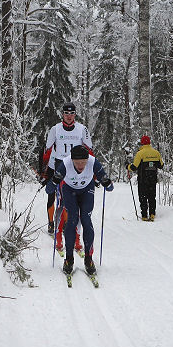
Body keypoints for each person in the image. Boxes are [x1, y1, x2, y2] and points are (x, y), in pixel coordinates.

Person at [45, 145, 113, 275]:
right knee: (72, 219)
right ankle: (69, 258)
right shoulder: (65, 164)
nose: (81, 165)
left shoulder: (93, 162)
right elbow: (49, 188)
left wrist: (107, 182)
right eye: (77, 163)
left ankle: (88, 259)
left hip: (87, 190)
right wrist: (53, 182)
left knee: (86, 220)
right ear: (72, 160)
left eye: (83, 162)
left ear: (88, 159)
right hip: (69, 190)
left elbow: (108, 184)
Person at [41, 102, 92, 253]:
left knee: (77, 204)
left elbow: (90, 150)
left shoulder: (82, 129)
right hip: (60, 168)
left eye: (72, 114)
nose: (69, 116)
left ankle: (75, 237)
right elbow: (47, 151)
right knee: (61, 202)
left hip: (77, 168)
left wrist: (94, 173)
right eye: (66, 113)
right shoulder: (55, 129)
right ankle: (57, 234)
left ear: (75, 114)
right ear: (62, 114)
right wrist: (44, 173)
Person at [127, 135, 164, 221]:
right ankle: (152, 214)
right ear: (149, 143)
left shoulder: (140, 154)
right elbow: (161, 165)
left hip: (143, 180)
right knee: (152, 197)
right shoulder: (156, 153)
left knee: (143, 197)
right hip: (153, 179)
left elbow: (134, 167)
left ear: (142, 143)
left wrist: (127, 166)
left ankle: (144, 215)